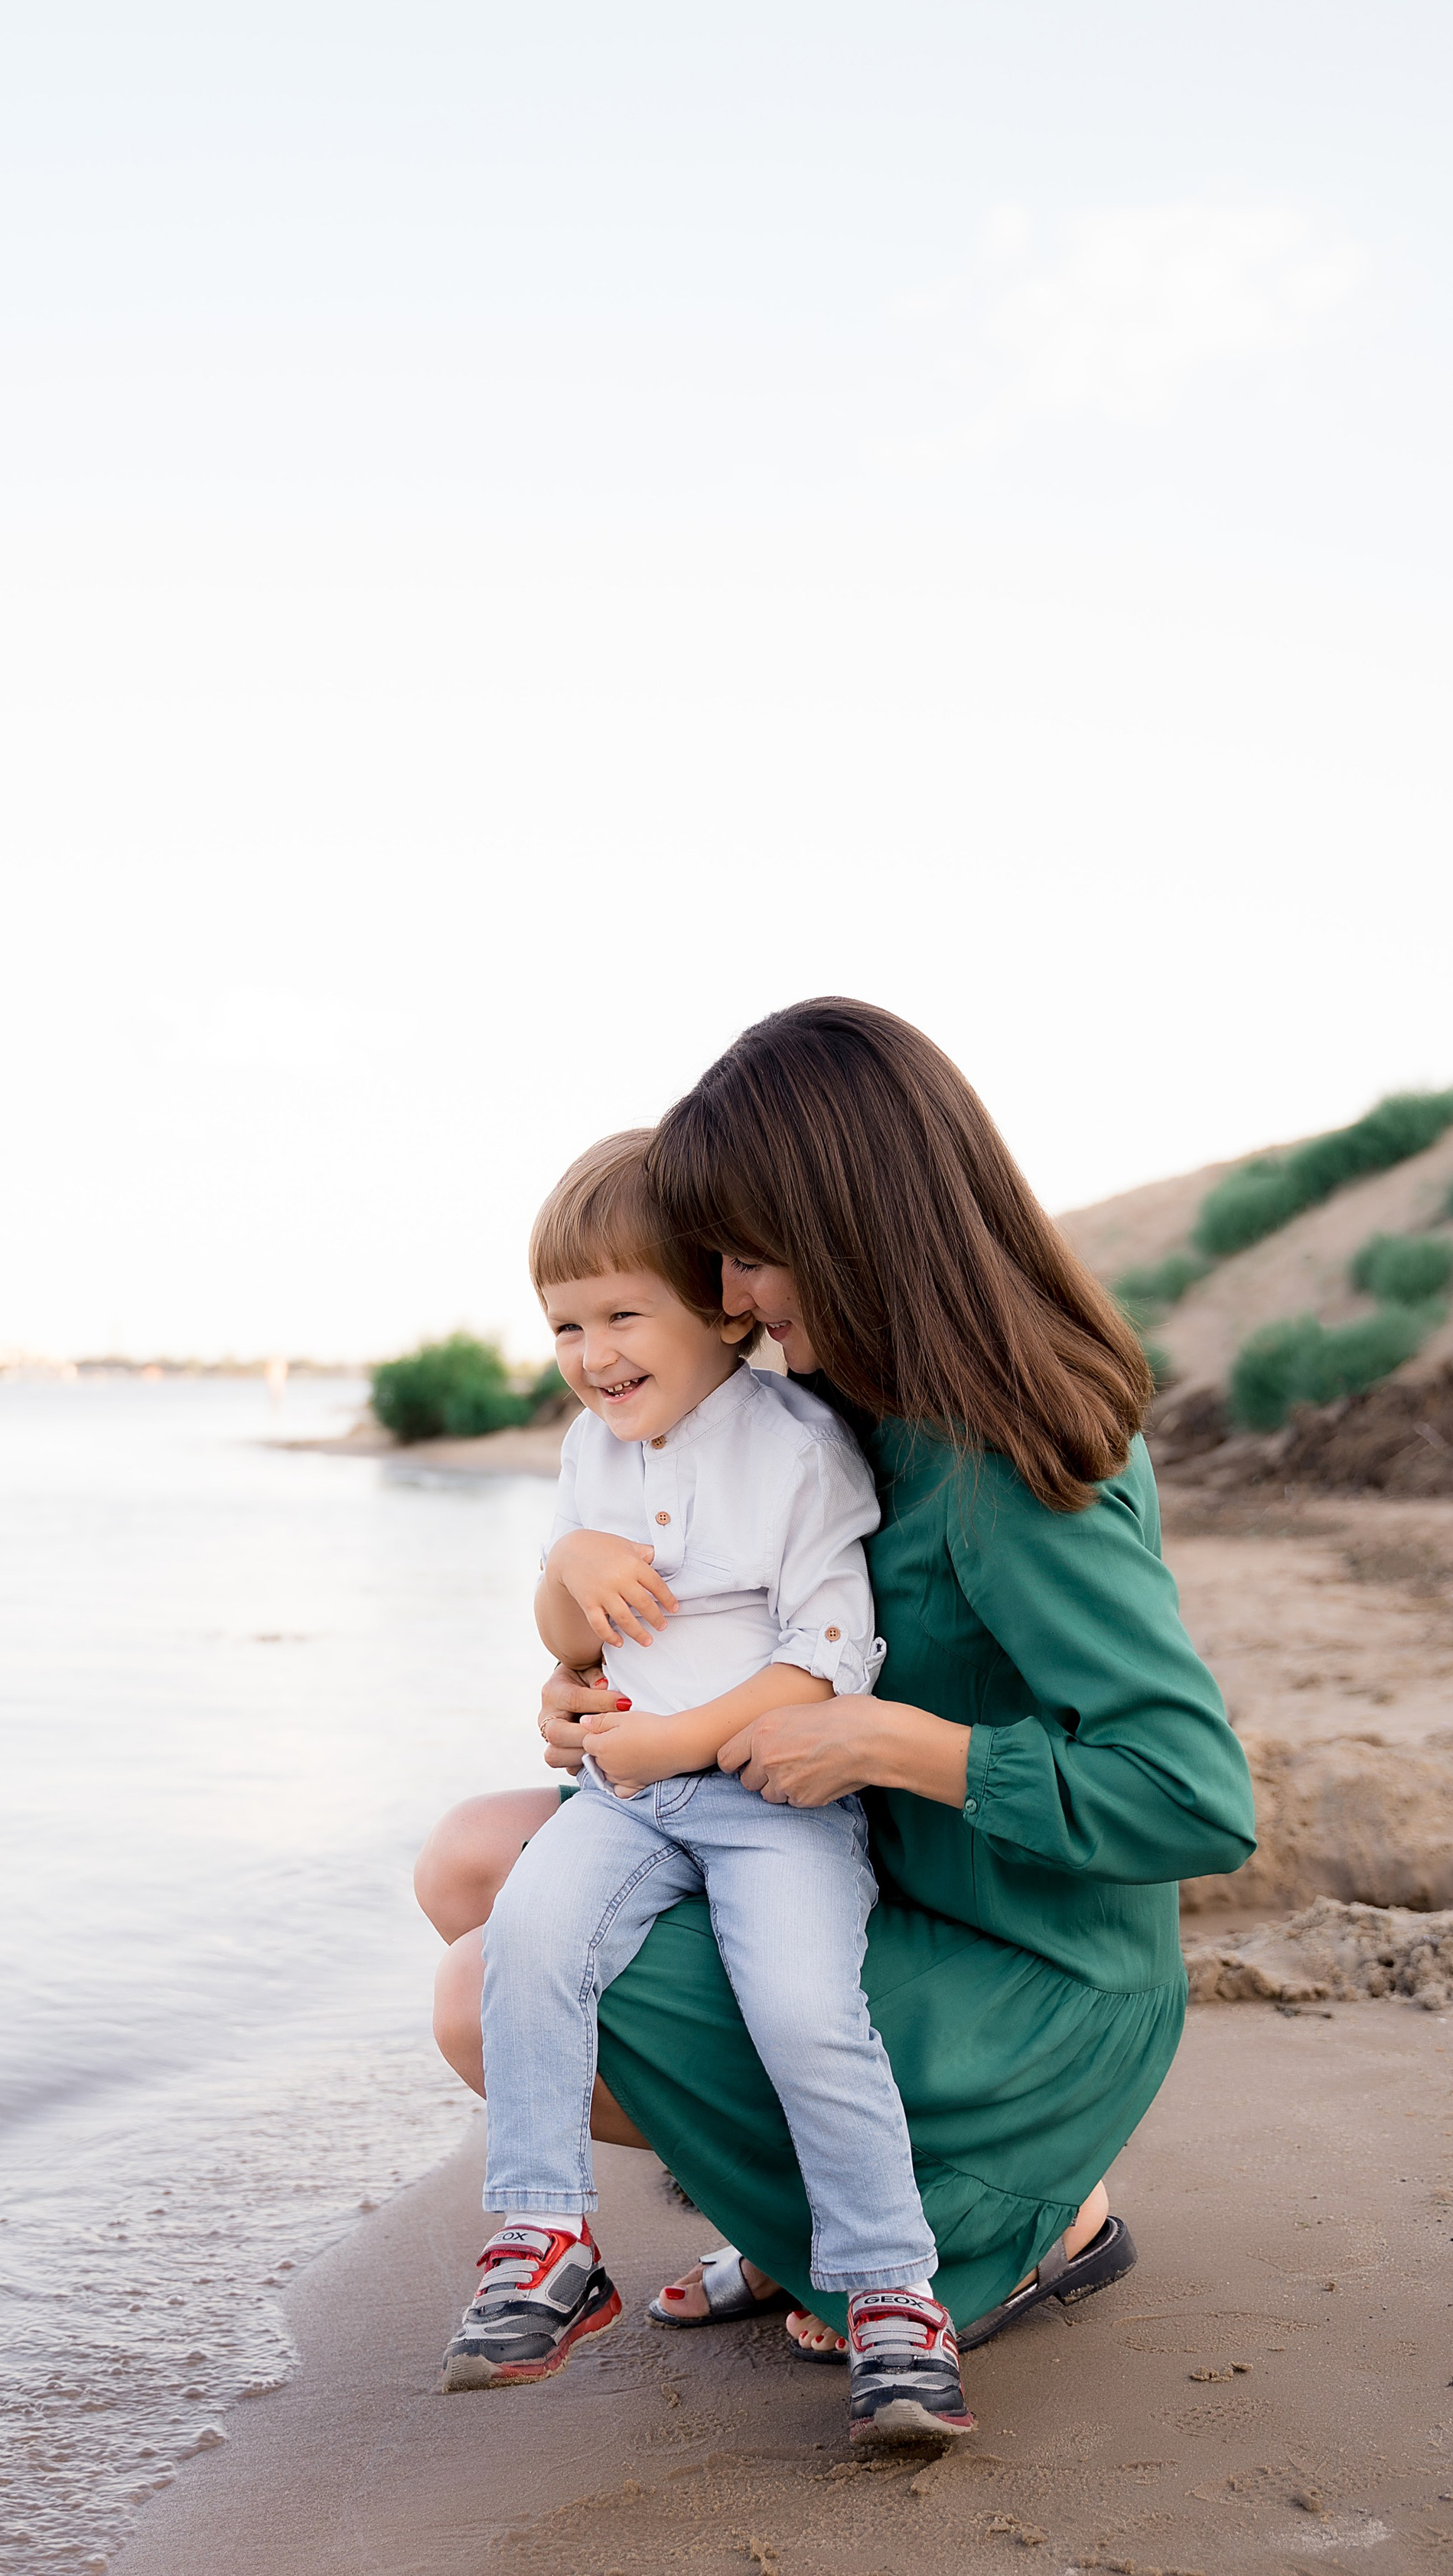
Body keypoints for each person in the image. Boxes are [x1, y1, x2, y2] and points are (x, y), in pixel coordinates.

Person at [418, 998, 1255, 2377]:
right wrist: (575, 1680)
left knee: (474, 1993)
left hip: (1034, 1982)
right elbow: (712, 1595)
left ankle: (1012, 2218)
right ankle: (797, 2212)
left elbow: (1196, 1802)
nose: (732, 1296)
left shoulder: (1015, 1470)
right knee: (468, 1864)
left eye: (751, 1256)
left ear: (854, 1223)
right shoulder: (848, 1402)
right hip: (886, 1880)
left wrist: (888, 1739)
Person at [440, 1131, 974, 2440]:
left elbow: (833, 1656)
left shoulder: (795, 1448)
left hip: (775, 1803)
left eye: (624, 1314)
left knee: (800, 2009)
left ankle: (893, 2292)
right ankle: (547, 2237)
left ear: (723, 1319)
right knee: (529, 1937)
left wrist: (685, 1743)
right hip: (623, 1801)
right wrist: (569, 1557)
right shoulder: (589, 1452)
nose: (592, 1353)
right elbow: (573, 1642)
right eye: (565, 1324)